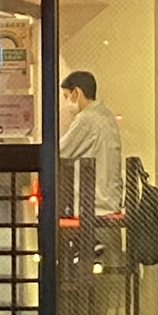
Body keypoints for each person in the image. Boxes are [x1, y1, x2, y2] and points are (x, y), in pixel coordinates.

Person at [59, 71, 123, 215]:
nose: (65, 104)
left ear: (77, 92)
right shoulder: (106, 115)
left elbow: (60, 152)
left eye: (66, 96)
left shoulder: (86, 119)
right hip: (110, 201)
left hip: (94, 206)